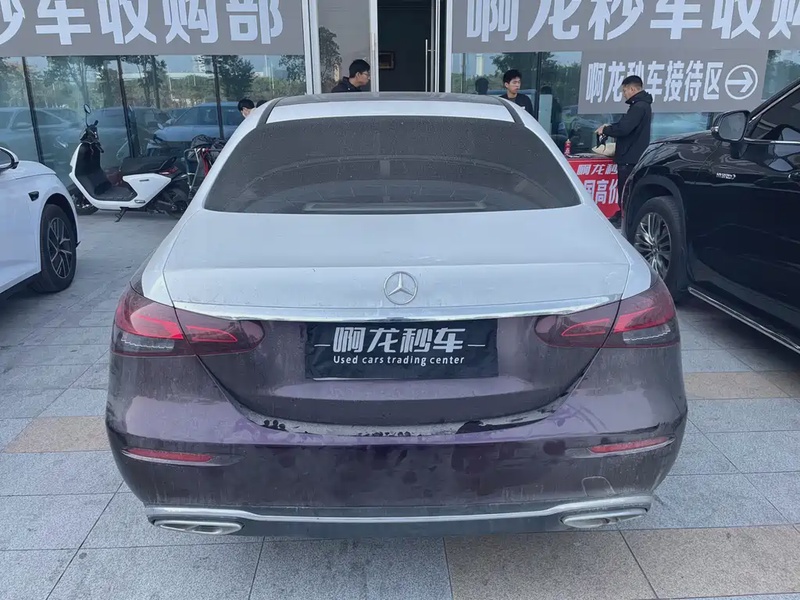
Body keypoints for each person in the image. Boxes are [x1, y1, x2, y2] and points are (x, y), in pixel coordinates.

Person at [595, 75, 653, 197]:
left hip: (629, 158)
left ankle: (623, 210)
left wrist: (605, 130)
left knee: (626, 194)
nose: (623, 94)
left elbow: (624, 129)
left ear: (632, 89)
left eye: (624, 90)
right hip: (634, 157)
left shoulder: (638, 107)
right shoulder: (643, 105)